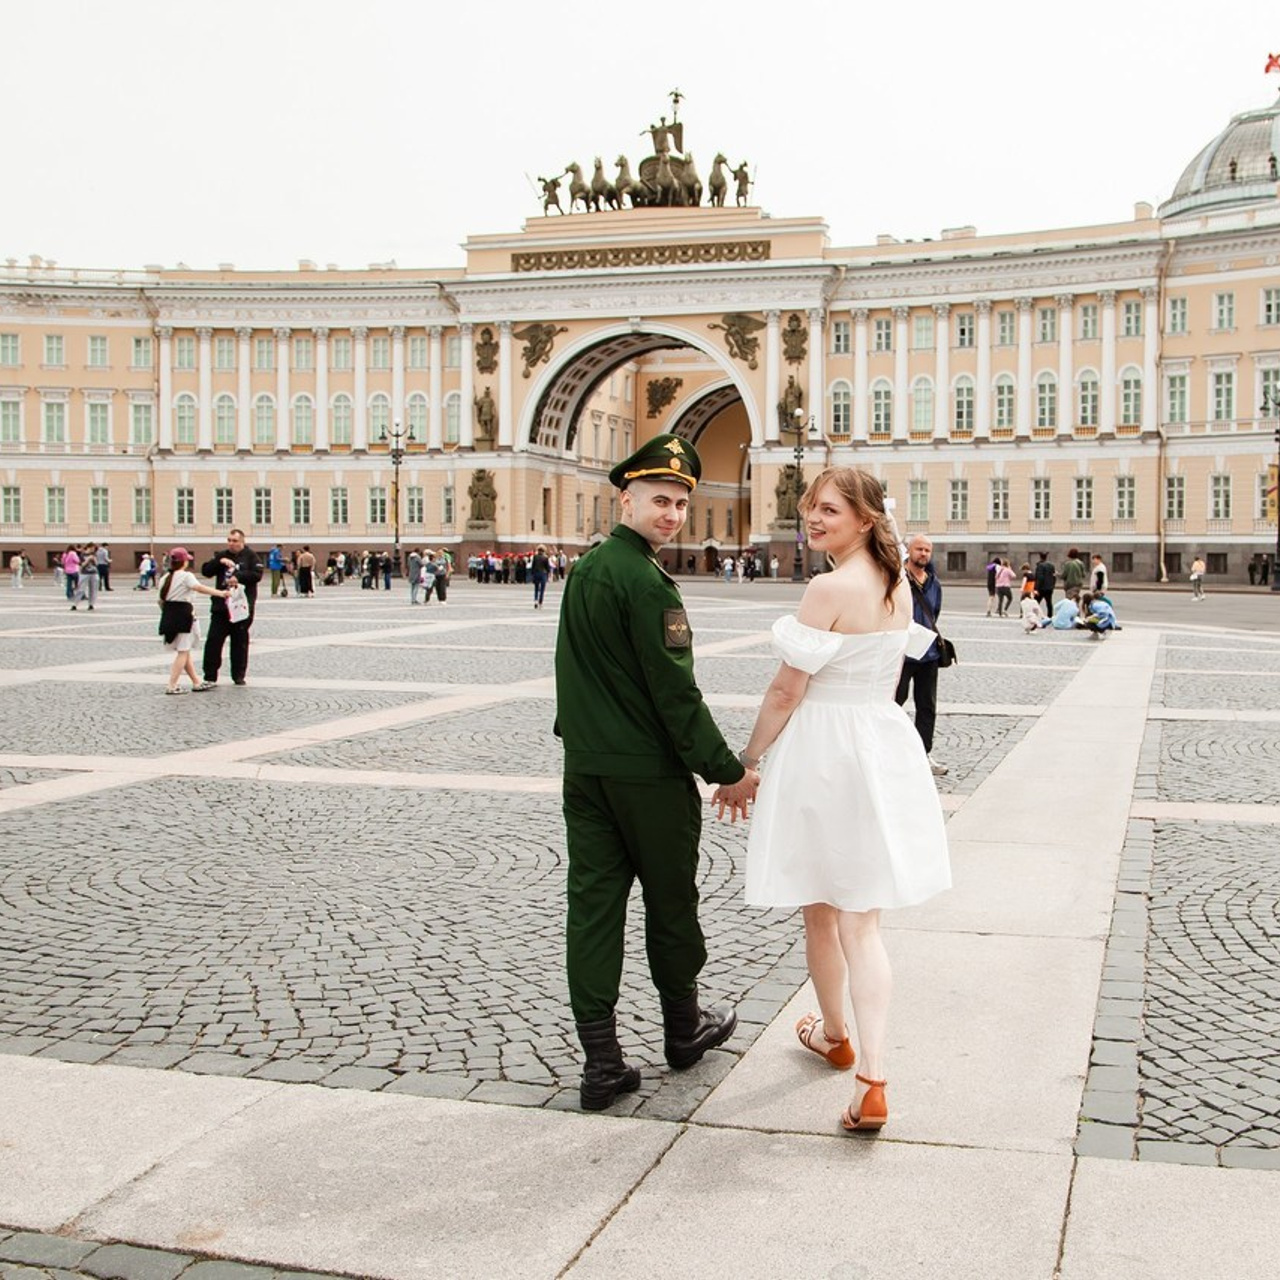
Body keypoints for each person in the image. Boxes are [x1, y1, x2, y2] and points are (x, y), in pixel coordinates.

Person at [723, 466, 950, 1134]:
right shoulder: (895, 584)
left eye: (828, 510)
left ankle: (834, 1032)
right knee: (863, 921)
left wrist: (747, 759)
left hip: (824, 749)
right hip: (879, 743)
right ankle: (871, 1077)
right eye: (809, 509)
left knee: (821, 911)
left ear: (865, 518)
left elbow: (786, 691)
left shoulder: (827, 586)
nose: (813, 520)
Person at [554, 433, 756, 1112]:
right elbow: (675, 694)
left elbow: (570, 672)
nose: (671, 513)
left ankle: (602, 1063)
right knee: (671, 906)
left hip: (585, 771)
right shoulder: (646, 581)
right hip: (648, 779)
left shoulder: (585, 571)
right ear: (626, 498)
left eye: (679, 502)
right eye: (659, 500)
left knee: (592, 911)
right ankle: (682, 1029)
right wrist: (726, 770)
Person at [894, 534, 947, 777]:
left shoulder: (934, 582)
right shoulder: (898, 579)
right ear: (909, 551)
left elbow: (934, 613)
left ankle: (923, 753)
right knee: (893, 704)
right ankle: (887, 750)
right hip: (902, 654)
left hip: (929, 654)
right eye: (919, 549)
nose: (923, 554)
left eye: (927, 550)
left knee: (927, 706)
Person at [157, 548, 229, 693]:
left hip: (168, 613)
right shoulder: (185, 576)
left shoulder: (165, 578)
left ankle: (196, 681)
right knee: (183, 652)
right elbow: (199, 588)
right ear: (184, 561)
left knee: (185, 650)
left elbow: (159, 600)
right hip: (183, 614)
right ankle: (172, 685)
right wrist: (221, 593)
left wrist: (167, 613)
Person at [201, 528, 263, 687]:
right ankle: (210, 675)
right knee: (214, 642)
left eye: (234, 541)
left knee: (240, 643)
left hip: (240, 609)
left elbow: (257, 575)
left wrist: (239, 576)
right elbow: (206, 571)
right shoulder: (222, 555)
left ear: (242, 541)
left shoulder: (251, 556)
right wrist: (218, 562)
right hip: (221, 607)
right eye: (229, 540)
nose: (231, 544)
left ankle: (238, 675)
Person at [530, 544, 551, 610]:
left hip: (536, 573)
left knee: (536, 588)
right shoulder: (545, 558)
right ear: (544, 551)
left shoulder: (535, 557)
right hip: (543, 574)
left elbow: (533, 567)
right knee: (542, 589)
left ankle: (535, 600)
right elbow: (547, 568)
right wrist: (548, 573)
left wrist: (532, 575)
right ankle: (540, 603)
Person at [80, 544, 100, 610]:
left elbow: (96, 564)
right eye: (92, 548)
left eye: (94, 549)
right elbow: (82, 565)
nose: (93, 550)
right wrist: (88, 559)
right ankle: (75, 603)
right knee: (81, 588)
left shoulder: (94, 555)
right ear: (88, 547)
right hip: (84, 573)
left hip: (94, 573)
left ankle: (91, 604)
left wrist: (94, 559)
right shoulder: (82, 555)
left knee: (93, 590)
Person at [62, 545, 81, 610]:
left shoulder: (65, 554)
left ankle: (69, 594)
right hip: (74, 570)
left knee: (69, 584)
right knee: (78, 583)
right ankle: (80, 595)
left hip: (67, 570)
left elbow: (63, 562)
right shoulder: (73, 553)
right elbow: (77, 561)